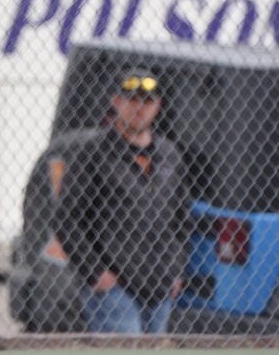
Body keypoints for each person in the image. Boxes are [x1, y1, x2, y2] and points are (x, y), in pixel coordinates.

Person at [51, 67, 191, 335]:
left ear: (158, 106)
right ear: (117, 102)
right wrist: (96, 274)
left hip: (160, 290)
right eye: (132, 99)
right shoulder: (92, 153)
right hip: (116, 290)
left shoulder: (169, 155)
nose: (139, 108)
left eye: (147, 101)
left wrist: (176, 272)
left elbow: (182, 220)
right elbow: (66, 218)